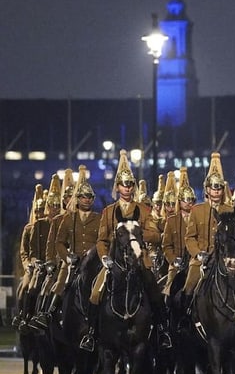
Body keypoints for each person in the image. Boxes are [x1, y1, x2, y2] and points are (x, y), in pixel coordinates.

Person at [79, 150, 171, 352]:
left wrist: (134, 235)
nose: (127, 188)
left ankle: (163, 330)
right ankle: (91, 334)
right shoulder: (108, 211)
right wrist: (104, 257)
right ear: (118, 186)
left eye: (130, 184)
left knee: (154, 291)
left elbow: (155, 236)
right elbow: (101, 240)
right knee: (95, 292)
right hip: (115, 261)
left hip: (140, 259)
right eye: (123, 184)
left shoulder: (144, 210)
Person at [33, 165, 100, 329]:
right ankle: (48, 313)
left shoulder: (100, 218)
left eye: (90, 197)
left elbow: (104, 240)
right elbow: (58, 242)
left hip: (94, 263)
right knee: (61, 283)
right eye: (84, 197)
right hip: (72, 262)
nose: (87, 200)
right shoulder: (69, 218)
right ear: (78, 198)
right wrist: (67, 257)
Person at [183, 152, 235, 302]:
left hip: (225, 259)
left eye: (219, 187)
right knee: (189, 288)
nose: (217, 190)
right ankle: (184, 320)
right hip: (202, 260)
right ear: (207, 190)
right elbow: (190, 237)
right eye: (213, 187)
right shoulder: (197, 210)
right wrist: (198, 253)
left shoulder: (229, 210)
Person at [12, 184, 46, 329]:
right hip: (32, 266)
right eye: (37, 211)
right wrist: (27, 265)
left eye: (42, 211)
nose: (39, 214)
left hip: (47, 264)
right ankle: (22, 315)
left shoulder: (50, 225)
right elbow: (23, 251)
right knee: (24, 287)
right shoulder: (28, 228)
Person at [161, 167, 194, 297]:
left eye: (191, 200)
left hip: (195, 261)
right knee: (168, 290)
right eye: (186, 200)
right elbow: (166, 245)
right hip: (177, 264)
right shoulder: (171, 220)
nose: (189, 203)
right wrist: (174, 260)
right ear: (179, 201)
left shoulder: (197, 218)